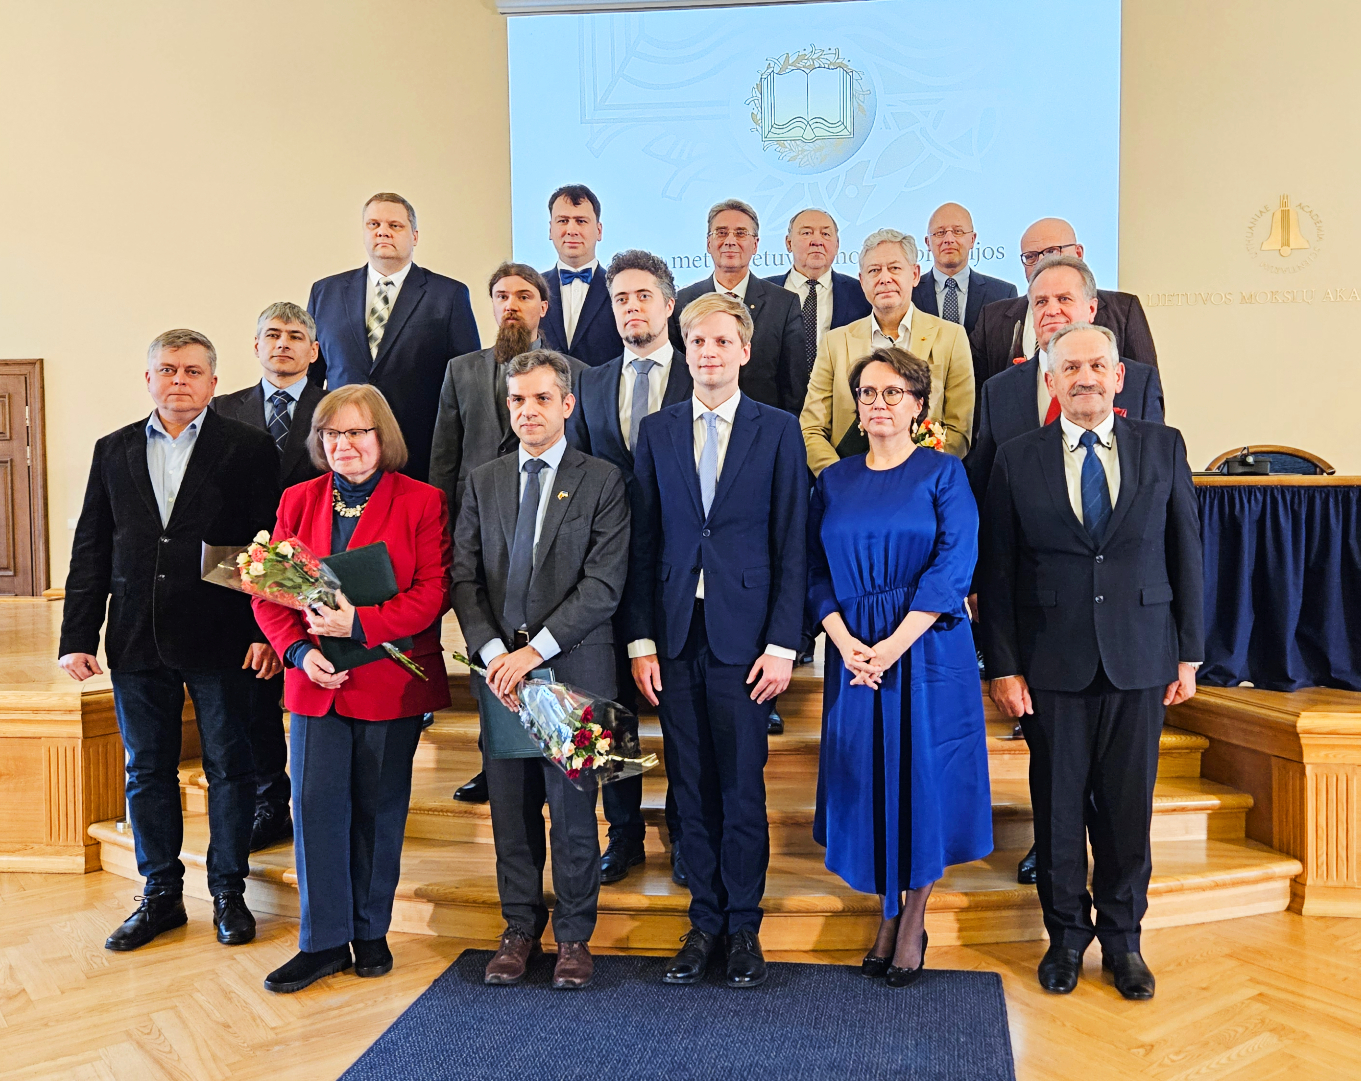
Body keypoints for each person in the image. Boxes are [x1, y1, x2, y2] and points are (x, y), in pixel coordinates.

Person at [978, 320, 1203, 1001]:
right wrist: (1003, 665)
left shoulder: (1163, 446)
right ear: (1049, 379)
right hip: (1051, 664)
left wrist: (1189, 652)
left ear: (1118, 376)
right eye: (1070, 367)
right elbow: (998, 572)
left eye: (1096, 366)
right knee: (1057, 810)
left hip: (1141, 657)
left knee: (1127, 811)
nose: (1084, 377)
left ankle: (1124, 940)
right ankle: (1065, 938)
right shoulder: (1016, 457)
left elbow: (1186, 552)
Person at [59, 329, 281, 952]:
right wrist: (77, 635)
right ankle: (160, 895)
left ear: (214, 382)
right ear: (148, 378)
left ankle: (228, 892)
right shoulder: (113, 449)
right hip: (136, 636)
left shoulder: (249, 448)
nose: (178, 380)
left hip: (223, 638)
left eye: (191, 371)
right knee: (145, 769)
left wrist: (264, 631)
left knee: (231, 768)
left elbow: (266, 545)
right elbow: (91, 547)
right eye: (167, 369)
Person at [628, 293, 807, 989]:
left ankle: (743, 929)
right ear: (685, 349)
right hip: (675, 636)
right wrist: (641, 640)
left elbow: (792, 543)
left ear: (744, 351)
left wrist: (783, 644)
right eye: (697, 341)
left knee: (740, 788)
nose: (708, 352)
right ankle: (702, 922)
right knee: (689, 787)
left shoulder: (778, 430)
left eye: (721, 341)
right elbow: (644, 543)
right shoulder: (657, 431)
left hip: (748, 642)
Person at [252, 384, 452, 993]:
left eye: (358, 432)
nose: (345, 444)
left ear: (381, 437)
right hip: (315, 683)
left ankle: (370, 933)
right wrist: (298, 652)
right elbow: (269, 591)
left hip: (389, 682)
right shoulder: (297, 500)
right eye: (332, 434)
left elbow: (433, 592)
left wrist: (358, 625)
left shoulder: (422, 501)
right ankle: (321, 942)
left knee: (378, 810)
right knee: (314, 810)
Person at [807, 347, 991, 987]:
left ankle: (913, 917)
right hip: (855, 654)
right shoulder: (834, 480)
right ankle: (885, 910)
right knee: (870, 778)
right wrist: (845, 642)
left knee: (922, 779)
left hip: (927, 649)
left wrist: (892, 646)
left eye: (892, 393)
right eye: (867, 393)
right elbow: (814, 572)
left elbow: (954, 565)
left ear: (918, 405)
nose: (878, 403)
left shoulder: (944, 472)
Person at [451, 349, 631, 991]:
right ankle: (519, 930)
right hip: (501, 677)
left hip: (574, 669)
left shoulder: (603, 480)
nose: (528, 411)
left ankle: (574, 938)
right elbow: (463, 577)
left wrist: (534, 652)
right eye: (517, 400)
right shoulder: (484, 479)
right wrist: (495, 656)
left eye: (541, 399)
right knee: (512, 811)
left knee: (574, 813)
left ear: (567, 405)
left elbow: (603, 586)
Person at [429, 262, 586, 805]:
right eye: (501, 296)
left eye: (523, 295)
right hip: (483, 530)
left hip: (553, 525)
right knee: (489, 642)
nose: (511, 304)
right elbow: (444, 457)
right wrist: (446, 534)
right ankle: (492, 761)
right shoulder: (461, 370)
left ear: (544, 306)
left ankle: (556, 760)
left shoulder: (576, 372)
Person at [567, 249, 692, 888]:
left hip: (683, 569)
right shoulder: (589, 383)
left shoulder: (702, 371)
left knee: (681, 708)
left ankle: (685, 830)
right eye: (620, 298)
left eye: (643, 295)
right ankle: (624, 835)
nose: (631, 307)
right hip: (609, 569)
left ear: (668, 304)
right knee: (611, 709)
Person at [213, 301, 327, 852]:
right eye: (273, 335)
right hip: (241, 571)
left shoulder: (336, 407)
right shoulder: (222, 410)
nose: (283, 344)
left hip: (318, 569)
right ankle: (268, 799)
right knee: (252, 695)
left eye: (296, 335)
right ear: (256, 346)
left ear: (314, 349)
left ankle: (318, 802)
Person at [966, 256, 1165, 511]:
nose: (1051, 310)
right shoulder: (998, 391)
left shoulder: (1140, 382)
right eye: (1041, 302)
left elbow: (1158, 475)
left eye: (1064, 299)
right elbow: (986, 485)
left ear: (1091, 309)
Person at [307, 191, 480, 483]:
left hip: (417, 451)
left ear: (414, 236)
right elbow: (312, 376)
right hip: (341, 452)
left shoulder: (448, 295)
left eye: (395, 225)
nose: (383, 231)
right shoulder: (326, 292)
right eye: (373, 224)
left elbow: (466, 382)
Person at [801, 229, 975, 471]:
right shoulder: (835, 342)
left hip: (922, 481)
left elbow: (959, 429)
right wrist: (840, 479)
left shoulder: (951, 337)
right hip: (849, 481)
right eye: (874, 271)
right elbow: (811, 428)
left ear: (915, 274)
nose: (884, 278)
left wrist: (916, 477)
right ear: (862, 281)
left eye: (894, 268)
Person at [968, 217, 1157, 396]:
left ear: (1078, 253)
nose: (1042, 262)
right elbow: (977, 395)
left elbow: (1144, 393)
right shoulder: (992, 317)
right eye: (1031, 256)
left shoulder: (1124, 310)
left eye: (1052, 251)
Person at [670, 199, 806, 415]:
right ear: (708, 243)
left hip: (764, 426)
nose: (730, 241)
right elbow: (677, 380)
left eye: (741, 233)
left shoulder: (784, 304)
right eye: (721, 233)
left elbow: (793, 386)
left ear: (755, 245)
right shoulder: (681, 302)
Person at [765, 208, 871, 377]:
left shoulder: (861, 293)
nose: (817, 241)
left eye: (826, 234)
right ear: (788, 243)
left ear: (837, 245)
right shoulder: (763, 292)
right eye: (806, 233)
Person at [539, 184, 623, 367]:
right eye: (563, 221)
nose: (571, 230)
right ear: (550, 230)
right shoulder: (534, 289)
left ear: (599, 231)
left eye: (581, 221)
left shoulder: (620, 288)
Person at [910, 202, 1018, 334]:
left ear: (972, 239)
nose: (949, 239)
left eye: (958, 232)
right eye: (940, 233)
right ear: (928, 243)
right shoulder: (909, 293)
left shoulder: (1003, 294)